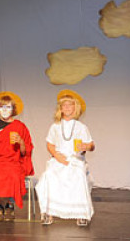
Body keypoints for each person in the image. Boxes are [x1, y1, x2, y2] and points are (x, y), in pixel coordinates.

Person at [35, 90, 95, 226]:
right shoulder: (55, 126)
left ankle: (81, 213)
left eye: (70, 105)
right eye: (64, 105)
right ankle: (48, 212)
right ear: (60, 109)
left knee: (78, 175)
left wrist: (86, 146)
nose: (67, 107)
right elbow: (50, 144)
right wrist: (56, 155)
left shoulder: (81, 127)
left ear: (75, 107)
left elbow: (91, 145)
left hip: (75, 159)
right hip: (58, 159)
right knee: (48, 176)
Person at [0, 91, 34, 221]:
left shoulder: (20, 127)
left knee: (13, 175)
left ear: (13, 109)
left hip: (15, 161)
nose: (4, 110)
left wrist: (21, 142)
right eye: (2, 107)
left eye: (8, 107)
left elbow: (25, 152)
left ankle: (9, 206)